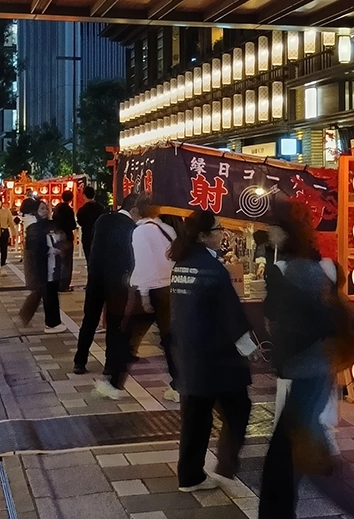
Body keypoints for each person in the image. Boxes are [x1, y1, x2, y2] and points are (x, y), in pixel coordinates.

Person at [259, 206, 354, 519]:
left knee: (310, 459)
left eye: (273, 228)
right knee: (287, 455)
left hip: (308, 371)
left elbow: (288, 317)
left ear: (284, 232)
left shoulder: (291, 271)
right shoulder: (314, 268)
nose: (269, 234)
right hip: (315, 369)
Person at [169, 211, 254, 493]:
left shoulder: (182, 264)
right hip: (217, 356)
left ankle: (189, 475)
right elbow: (231, 315)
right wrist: (250, 349)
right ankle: (225, 465)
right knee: (239, 408)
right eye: (217, 229)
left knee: (195, 415)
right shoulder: (213, 269)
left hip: (189, 351)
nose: (222, 234)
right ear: (204, 235)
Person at [74, 193, 140, 379]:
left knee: (90, 319)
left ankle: (80, 361)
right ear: (134, 210)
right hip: (117, 281)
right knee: (114, 322)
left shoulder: (103, 219)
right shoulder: (131, 227)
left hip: (95, 276)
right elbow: (130, 257)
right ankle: (110, 365)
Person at [127, 198, 180, 402]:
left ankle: (113, 382)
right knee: (168, 339)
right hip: (169, 287)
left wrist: (144, 294)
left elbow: (144, 265)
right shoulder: (167, 229)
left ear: (137, 212)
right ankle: (178, 384)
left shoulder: (140, 232)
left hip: (152, 289)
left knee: (128, 336)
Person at [19, 201, 67, 333]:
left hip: (51, 266)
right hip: (43, 267)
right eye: (42, 208)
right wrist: (51, 250)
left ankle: (52, 322)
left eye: (46, 208)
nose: (45, 211)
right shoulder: (34, 227)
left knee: (49, 293)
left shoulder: (49, 225)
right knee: (47, 294)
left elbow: (59, 239)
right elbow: (36, 250)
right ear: (36, 211)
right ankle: (51, 323)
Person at [53, 190, 77, 292]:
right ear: (71, 198)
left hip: (57, 237)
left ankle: (57, 283)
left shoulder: (57, 208)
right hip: (66, 237)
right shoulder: (69, 210)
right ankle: (64, 285)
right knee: (67, 262)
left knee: (58, 261)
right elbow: (72, 225)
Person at [76, 186, 105, 260]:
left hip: (87, 237)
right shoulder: (101, 208)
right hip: (100, 237)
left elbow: (80, 222)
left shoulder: (82, 210)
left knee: (89, 259)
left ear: (84, 195)